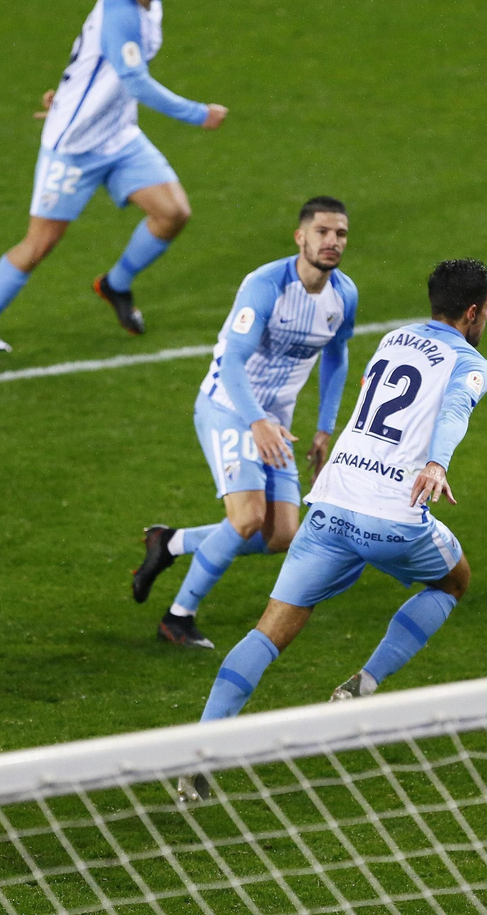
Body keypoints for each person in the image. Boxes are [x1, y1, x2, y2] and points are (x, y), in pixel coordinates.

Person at [186, 259, 487, 774]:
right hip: (394, 516)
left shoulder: (395, 338)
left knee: (267, 632)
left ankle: (198, 753)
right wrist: (437, 461)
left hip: (330, 506)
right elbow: (455, 408)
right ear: (471, 312)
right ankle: (364, 682)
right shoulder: (472, 362)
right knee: (452, 583)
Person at [0, 0, 229, 352]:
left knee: (173, 212)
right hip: (74, 148)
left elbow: (87, 61)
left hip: (119, 135)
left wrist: (65, 96)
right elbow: (134, 80)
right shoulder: (119, 12)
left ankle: (115, 285)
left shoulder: (149, 6)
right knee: (40, 244)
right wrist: (198, 114)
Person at [132, 198, 357, 648]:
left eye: (341, 234)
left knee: (282, 534)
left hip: (274, 422)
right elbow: (233, 362)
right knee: (247, 518)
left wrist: (325, 427)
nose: (332, 242)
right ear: (301, 237)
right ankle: (178, 617)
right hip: (229, 408)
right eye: (323, 232)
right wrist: (255, 421)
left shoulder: (343, 294)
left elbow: (337, 353)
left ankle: (170, 543)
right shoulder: (266, 285)